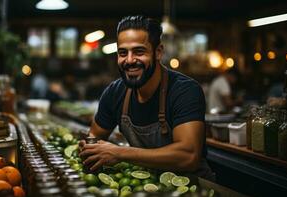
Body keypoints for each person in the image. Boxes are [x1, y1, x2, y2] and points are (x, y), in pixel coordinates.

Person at [79, 15, 215, 180]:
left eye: (139, 51)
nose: (129, 60)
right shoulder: (114, 93)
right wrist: (88, 147)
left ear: (158, 52)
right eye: (123, 53)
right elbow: (94, 136)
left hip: (193, 188)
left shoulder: (185, 90)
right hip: (146, 181)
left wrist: (119, 152)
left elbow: (188, 156)